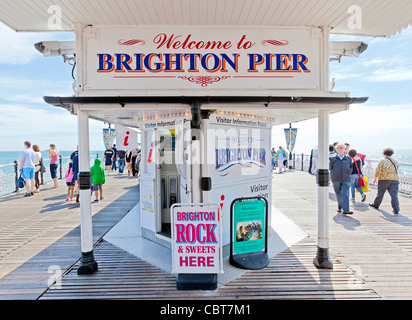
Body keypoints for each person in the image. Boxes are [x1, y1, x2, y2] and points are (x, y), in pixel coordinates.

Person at [369, 148, 400, 214]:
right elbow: (397, 167)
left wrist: (375, 178)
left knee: (380, 193)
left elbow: (378, 169)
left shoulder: (382, 160)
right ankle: (396, 209)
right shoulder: (395, 160)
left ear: (384, 153)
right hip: (394, 179)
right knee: (394, 195)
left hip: (384, 179)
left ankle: (376, 205)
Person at [330, 144, 353, 215]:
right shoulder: (333, 159)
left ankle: (346, 209)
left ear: (344, 149)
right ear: (336, 149)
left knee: (345, 193)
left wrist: (348, 175)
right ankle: (339, 206)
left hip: (346, 179)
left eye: (342, 148)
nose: (341, 149)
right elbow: (330, 168)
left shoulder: (348, 158)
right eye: (339, 148)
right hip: (336, 179)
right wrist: (333, 175)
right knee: (338, 193)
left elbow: (351, 168)